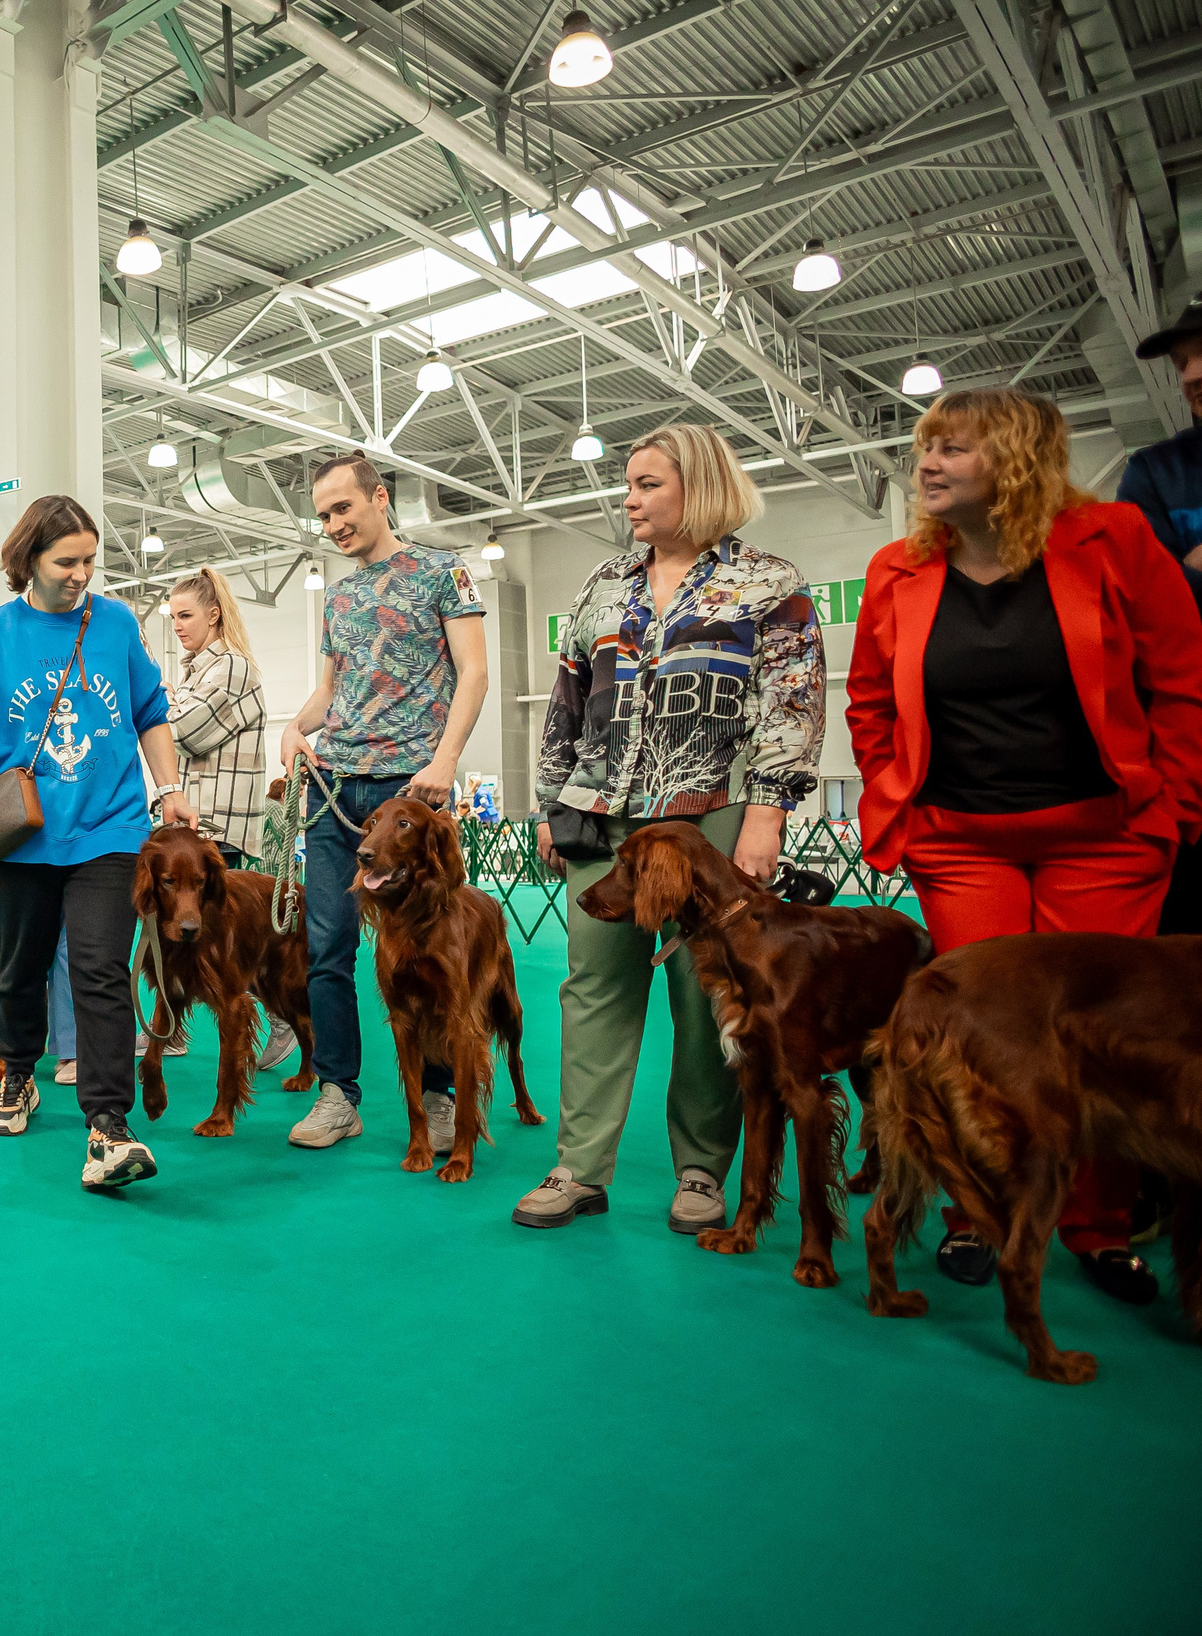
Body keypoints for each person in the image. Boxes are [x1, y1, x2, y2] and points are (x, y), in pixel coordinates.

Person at [847, 386, 1202, 1301]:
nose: (927, 463)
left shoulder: (1116, 542)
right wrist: (896, 800)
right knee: (987, 1038)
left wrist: (1178, 804)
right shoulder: (895, 570)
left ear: (1016, 459)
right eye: (927, 447)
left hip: (1107, 838)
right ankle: (980, 1214)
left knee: (1105, 1038)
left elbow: (1182, 678)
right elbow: (872, 703)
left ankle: (1095, 1223)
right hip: (961, 843)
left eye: (954, 449)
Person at [514, 424, 824, 1232]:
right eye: (630, 484)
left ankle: (700, 1171)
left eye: (648, 484)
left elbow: (792, 708)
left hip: (710, 821)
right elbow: (567, 704)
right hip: (603, 821)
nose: (629, 499)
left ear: (702, 486)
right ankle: (580, 1168)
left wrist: (766, 812)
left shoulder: (770, 584)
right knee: (594, 992)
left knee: (705, 997)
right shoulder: (603, 582)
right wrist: (553, 801)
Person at [0, 494, 199, 1192]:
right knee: (18, 969)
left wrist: (169, 789)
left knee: (101, 971)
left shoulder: (112, 623)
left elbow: (150, 713)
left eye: (89, 561)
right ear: (29, 561)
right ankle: (17, 1073)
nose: (81, 574)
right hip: (24, 835)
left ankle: (109, 1127)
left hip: (110, 828)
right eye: (66, 561)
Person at [273, 455, 489, 1152]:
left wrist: (446, 759)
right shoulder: (338, 598)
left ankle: (438, 1094)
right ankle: (339, 1094)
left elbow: (476, 672)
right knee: (326, 947)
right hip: (336, 792)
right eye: (324, 514)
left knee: (429, 950)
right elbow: (328, 693)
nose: (333, 524)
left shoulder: (441, 572)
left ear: (379, 498)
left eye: (343, 508)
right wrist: (294, 728)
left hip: (410, 796)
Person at [160, 564, 284, 1072]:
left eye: (186, 615)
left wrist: (157, 700)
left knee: (221, 947)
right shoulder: (196, 669)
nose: (178, 625)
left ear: (214, 614)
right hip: (197, 826)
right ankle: (171, 1029)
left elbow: (184, 732)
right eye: (172, 617)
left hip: (219, 829)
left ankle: (278, 1018)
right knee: (188, 941)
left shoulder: (230, 666)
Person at [1122, 294, 1202, 936]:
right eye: (1182, 361)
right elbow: (1140, 607)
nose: (1192, 375)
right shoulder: (1156, 471)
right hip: (1187, 750)